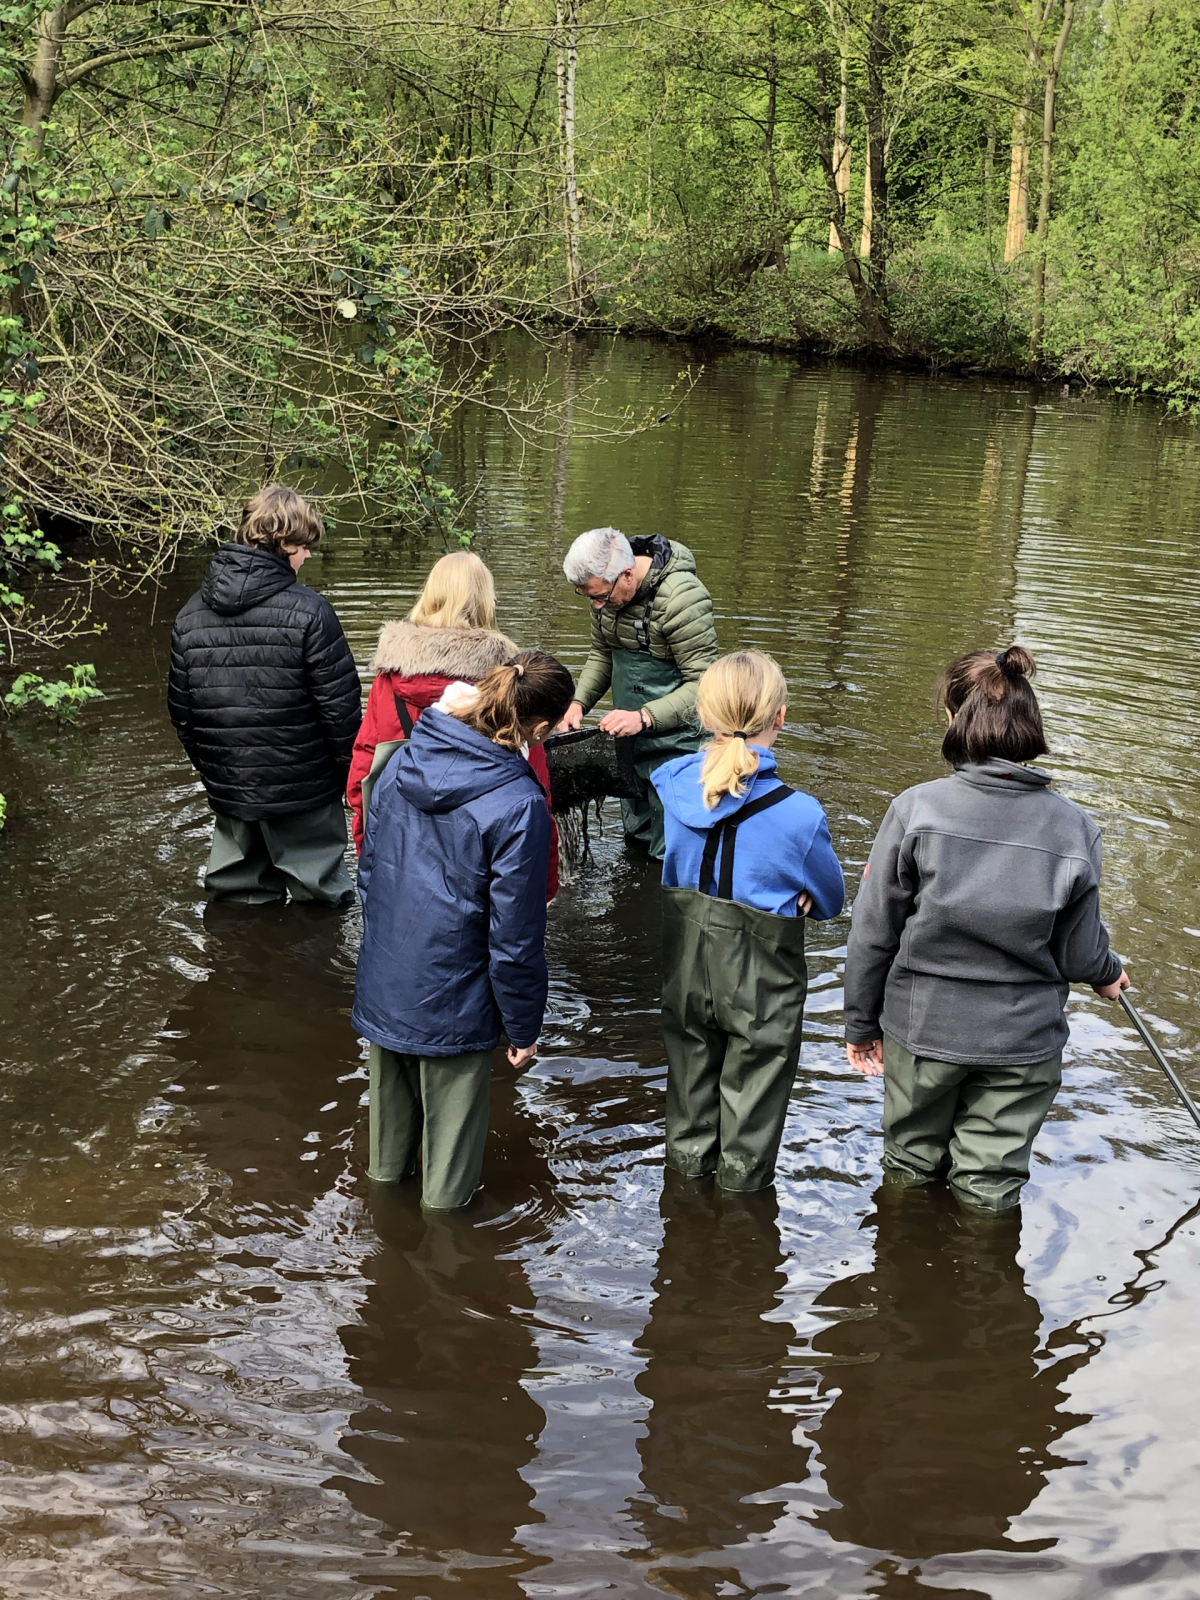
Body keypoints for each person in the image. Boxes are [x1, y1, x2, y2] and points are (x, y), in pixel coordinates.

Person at [842, 645, 1129, 1213]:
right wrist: (1109, 972)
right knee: (991, 1183)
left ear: (954, 719)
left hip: (923, 1030)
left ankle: (902, 1271)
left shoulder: (915, 810)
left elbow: (873, 932)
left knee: (909, 1162)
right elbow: (1078, 952)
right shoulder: (1077, 830)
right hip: (1022, 1044)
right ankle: (984, 1285)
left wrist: (860, 1023)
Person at [352, 649, 576, 1210]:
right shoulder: (520, 803)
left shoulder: (403, 757)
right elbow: (515, 938)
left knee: (384, 1166)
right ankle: (442, 1272)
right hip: (456, 1002)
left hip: (388, 983)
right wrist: (524, 1025)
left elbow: (371, 872)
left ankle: (380, 1262)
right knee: (447, 1192)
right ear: (540, 728)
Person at [650, 651, 845, 1192]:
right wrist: (800, 894)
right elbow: (830, 900)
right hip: (761, 983)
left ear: (704, 718)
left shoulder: (672, 787)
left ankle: (683, 1208)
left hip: (687, 970)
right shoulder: (801, 814)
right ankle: (739, 1227)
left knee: (688, 1101)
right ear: (779, 718)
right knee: (752, 1114)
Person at [168, 485, 361, 905]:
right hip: (304, 790)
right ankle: (315, 969)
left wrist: (217, 771)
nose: (307, 555)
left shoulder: (189, 615)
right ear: (284, 541)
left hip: (231, 790)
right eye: (304, 546)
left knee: (236, 900)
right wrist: (352, 778)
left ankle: (237, 966)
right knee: (320, 899)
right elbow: (341, 713)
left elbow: (182, 716)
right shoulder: (311, 612)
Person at [346, 550, 559, 899]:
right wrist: (544, 886)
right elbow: (534, 792)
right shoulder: (507, 682)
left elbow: (365, 772)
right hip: (479, 861)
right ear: (487, 602)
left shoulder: (390, 679)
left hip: (401, 851)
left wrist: (368, 853)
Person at [560, 525, 719, 860]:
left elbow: (705, 686)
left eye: (600, 597)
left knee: (671, 854)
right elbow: (602, 653)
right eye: (590, 598)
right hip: (631, 742)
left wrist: (645, 717)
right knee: (635, 842)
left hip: (680, 746)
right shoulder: (604, 591)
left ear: (628, 574)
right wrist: (578, 703)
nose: (598, 607)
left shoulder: (681, 598)